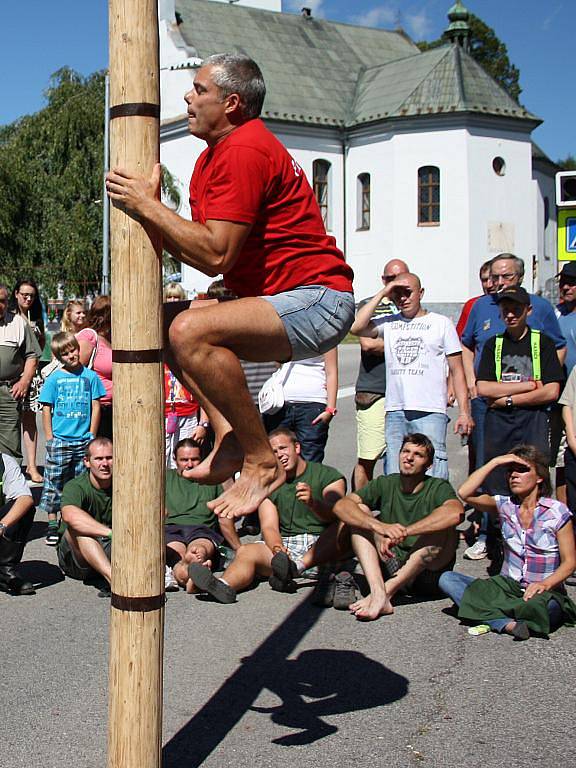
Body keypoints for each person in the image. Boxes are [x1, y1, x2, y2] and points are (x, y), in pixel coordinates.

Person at [106, 53, 355, 519]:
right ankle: (228, 434)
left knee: (188, 331)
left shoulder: (243, 150)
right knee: (153, 323)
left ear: (233, 103)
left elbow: (216, 254)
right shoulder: (212, 159)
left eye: (200, 90)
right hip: (281, 298)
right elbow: (201, 249)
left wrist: (147, 207)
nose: (188, 96)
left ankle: (261, 460)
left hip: (319, 297)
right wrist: (157, 212)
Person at [186, 428, 350, 605]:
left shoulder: (328, 476)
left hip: (322, 545)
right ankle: (223, 586)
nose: (280, 455)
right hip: (287, 546)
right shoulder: (269, 484)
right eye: (274, 451)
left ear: (297, 448)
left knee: (347, 521)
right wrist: (278, 550)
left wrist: (313, 503)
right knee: (247, 551)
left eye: (283, 448)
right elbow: (269, 526)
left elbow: (335, 514)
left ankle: (296, 569)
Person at [441, 446, 576, 640]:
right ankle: (506, 624)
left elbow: (570, 562)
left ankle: (486, 612)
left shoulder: (557, 511)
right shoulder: (505, 505)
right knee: (447, 579)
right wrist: (496, 461)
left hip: (542, 593)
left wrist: (545, 585)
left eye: (522, 470)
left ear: (539, 477)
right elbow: (465, 492)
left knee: (545, 608)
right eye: (510, 470)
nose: (513, 475)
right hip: (507, 587)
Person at [351, 272, 473, 479]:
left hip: (430, 409)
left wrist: (464, 412)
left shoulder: (441, 323)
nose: (403, 298)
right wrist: (383, 292)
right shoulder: (390, 322)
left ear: (421, 293)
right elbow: (357, 327)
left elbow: (457, 370)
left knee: (432, 471)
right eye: (397, 294)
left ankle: (433, 510)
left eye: (408, 293)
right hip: (396, 409)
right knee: (395, 470)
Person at [331, 433, 463, 621]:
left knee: (444, 527)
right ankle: (378, 593)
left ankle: (385, 593)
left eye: (418, 455)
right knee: (359, 511)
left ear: (429, 465)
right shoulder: (386, 483)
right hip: (392, 563)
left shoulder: (437, 487)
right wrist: (380, 527)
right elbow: (341, 506)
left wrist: (406, 531)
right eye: (405, 451)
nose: (409, 457)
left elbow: (455, 513)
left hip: (427, 573)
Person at [476, 287, 564, 497]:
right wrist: (528, 386)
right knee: (498, 480)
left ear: (528, 310)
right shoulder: (493, 344)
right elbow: (484, 388)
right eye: (505, 309)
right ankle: (497, 527)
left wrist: (506, 400)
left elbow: (551, 391)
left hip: (533, 420)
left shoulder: (542, 343)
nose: (510, 314)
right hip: (498, 423)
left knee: (535, 474)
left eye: (516, 309)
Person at [38, 332, 106, 545]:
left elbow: (96, 406)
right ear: (59, 357)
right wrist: (50, 437)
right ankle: (52, 522)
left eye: (73, 350)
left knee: (79, 481)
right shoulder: (54, 379)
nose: (71, 356)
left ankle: (72, 522)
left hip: (83, 439)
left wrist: (92, 434)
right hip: (60, 439)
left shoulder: (90, 377)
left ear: (78, 348)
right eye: (65, 354)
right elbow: (46, 408)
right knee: (54, 480)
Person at [352, 258, 408, 491]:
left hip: (406, 391)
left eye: (399, 278)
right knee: (368, 455)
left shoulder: (410, 304)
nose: (394, 283)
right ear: (383, 280)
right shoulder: (370, 305)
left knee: (402, 456)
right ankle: (359, 505)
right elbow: (368, 344)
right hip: (374, 390)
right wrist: (408, 342)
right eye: (389, 279)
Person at [164, 438, 240, 591]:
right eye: (184, 460)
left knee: (198, 550)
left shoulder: (213, 478)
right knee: (177, 554)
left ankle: (188, 575)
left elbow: (231, 507)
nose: (190, 464)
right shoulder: (165, 478)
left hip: (202, 529)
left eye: (194, 459)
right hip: (171, 529)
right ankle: (193, 577)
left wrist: (223, 472)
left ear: (202, 459)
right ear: (175, 460)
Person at [57, 438, 113, 594]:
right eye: (99, 459)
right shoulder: (76, 486)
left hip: (113, 550)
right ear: (87, 462)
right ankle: (115, 580)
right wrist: (111, 533)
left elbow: (162, 513)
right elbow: (70, 516)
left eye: (109, 458)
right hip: (77, 560)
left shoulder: (124, 485)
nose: (105, 464)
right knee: (78, 529)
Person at [263, 348, 338, 463]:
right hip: (280, 403)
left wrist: (330, 409)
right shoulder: (287, 331)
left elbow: (331, 372)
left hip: (313, 404)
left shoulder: (325, 333)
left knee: (311, 459)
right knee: (279, 458)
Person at [9, 278, 46, 483]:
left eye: (32, 295)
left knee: (29, 421)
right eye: (24, 294)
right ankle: (12, 467)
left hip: (31, 377)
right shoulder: (9, 318)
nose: (28, 298)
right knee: (9, 422)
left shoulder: (36, 318)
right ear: (16, 294)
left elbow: (39, 348)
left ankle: (32, 466)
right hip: (12, 376)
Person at [0, 284, 42, 463]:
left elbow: (32, 355)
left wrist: (24, 381)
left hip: (8, 392)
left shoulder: (18, 323)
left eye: (2, 300)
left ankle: (9, 488)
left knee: (10, 446)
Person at [76, 295, 113, 439]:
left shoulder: (112, 338)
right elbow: (75, 372)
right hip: (96, 410)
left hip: (113, 409)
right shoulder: (89, 337)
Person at [0, 452, 36, 595]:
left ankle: (4, 570)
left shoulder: (5, 462)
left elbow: (25, 499)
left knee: (24, 510)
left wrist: (2, 525)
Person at [455, 261, 494, 338]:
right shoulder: (472, 305)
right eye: (485, 280)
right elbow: (459, 340)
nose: (489, 285)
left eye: (493, 280)